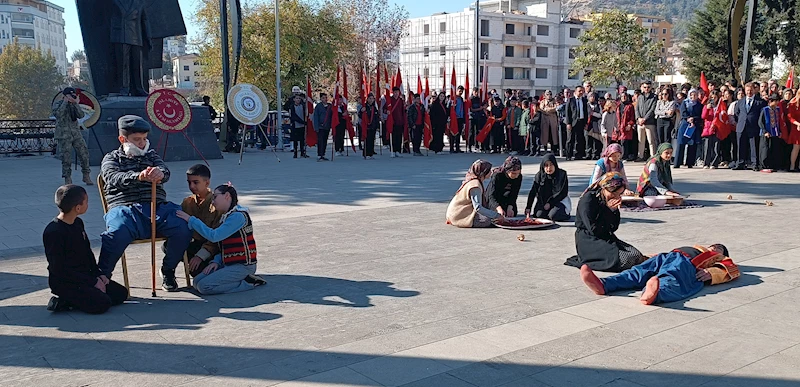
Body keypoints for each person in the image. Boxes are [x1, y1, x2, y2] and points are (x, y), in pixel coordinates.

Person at [97, 115, 193, 292]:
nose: (142, 143)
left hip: (158, 208)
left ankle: (168, 270)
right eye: (136, 139)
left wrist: (160, 174)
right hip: (125, 209)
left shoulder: (152, 155)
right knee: (116, 234)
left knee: (184, 226)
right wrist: (138, 176)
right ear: (122, 139)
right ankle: (101, 277)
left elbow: (166, 171)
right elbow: (111, 177)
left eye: (144, 139)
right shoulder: (111, 158)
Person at [44, 185, 128, 314]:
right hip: (66, 281)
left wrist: (98, 275)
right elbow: (58, 268)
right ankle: (65, 300)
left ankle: (81, 298)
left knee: (121, 294)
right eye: (86, 201)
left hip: (85, 276)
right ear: (77, 207)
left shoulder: (78, 223)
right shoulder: (54, 232)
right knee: (102, 304)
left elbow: (87, 253)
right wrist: (93, 282)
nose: (88, 204)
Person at [177, 183, 266, 294]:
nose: (212, 201)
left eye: (215, 197)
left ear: (227, 196)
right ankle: (237, 279)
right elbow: (224, 246)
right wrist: (216, 262)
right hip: (228, 263)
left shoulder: (238, 216)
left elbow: (214, 237)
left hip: (243, 266)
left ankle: (248, 282)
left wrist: (191, 220)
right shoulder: (226, 216)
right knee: (196, 282)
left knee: (204, 287)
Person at [580, 244, 738, 305]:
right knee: (638, 271)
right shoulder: (697, 247)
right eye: (713, 246)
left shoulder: (719, 258)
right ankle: (604, 284)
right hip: (667, 256)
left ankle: (655, 293)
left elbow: (731, 269)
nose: (714, 248)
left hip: (686, 263)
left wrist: (712, 272)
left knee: (672, 276)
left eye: (719, 248)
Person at [565, 172, 646, 272]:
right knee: (626, 260)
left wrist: (613, 211)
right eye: (613, 193)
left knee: (636, 255)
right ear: (605, 189)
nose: (615, 197)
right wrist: (608, 210)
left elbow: (613, 227)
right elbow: (593, 229)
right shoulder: (589, 199)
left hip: (605, 237)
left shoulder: (609, 200)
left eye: (619, 194)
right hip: (589, 240)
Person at [179, 164, 222, 277]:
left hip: (214, 247)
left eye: (196, 182)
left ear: (207, 183)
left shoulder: (216, 203)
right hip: (194, 244)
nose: (191, 186)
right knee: (170, 245)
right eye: (189, 182)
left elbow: (217, 236)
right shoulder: (187, 202)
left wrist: (200, 256)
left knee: (202, 274)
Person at [445, 160, 503, 228]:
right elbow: (478, 207)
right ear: (483, 172)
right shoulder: (475, 185)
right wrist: (496, 215)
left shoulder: (474, 181)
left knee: (491, 215)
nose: (491, 172)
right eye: (489, 170)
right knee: (488, 220)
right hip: (458, 214)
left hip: (456, 212)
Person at [53, 87, 92, 185]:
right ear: (64, 96)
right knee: (66, 157)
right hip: (63, 134)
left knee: (84, 154)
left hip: (76, 133)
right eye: (70, 95)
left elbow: (81, 115)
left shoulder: (74, 104)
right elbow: (58, 115)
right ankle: (67, 178)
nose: (72, 97)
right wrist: (65, 102)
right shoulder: (58, 104)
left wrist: (75, 103)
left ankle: (86, 175)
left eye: (73, 95)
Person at [524, 153, 570, 221]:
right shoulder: (539, 176)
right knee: (539, 215)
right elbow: (533, 191)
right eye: (546, 165)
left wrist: (550, 204)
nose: (549, 168)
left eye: (551, 164)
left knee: (554, 215)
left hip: (558, 201)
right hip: (543, 202)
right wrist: (528, 207)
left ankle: (564, 213)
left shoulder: (562, 174)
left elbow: (563, 193)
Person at [733, 82, 767, 170]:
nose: (749, 92)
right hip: (741, 126)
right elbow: (737, 113)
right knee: (740, 145)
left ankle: (754, 164)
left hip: (754, 127)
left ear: (754, 90)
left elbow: (762, 115)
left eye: (751, 90)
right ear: (745, 90)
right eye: (747, 90)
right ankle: (740, 163)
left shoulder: (760, 102)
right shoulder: (740, 102)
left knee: (754, 146)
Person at [757, 93, 786, 173]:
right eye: (775, 101)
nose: (777, 103)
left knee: (774, 149)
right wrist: (765, 131)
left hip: (775, 133)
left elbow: (778, 121)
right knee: (765, 149)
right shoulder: (765, 109)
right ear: (771, 101)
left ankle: (772, 165)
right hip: (766, 133)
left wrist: (780, 131)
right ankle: (764, 166)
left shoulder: (777, 110)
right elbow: (760, 122)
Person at [674, 89, 703, 168]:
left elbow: (700, 115)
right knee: (681, 143)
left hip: (694, 125)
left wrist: (693, 119)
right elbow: (683, 112)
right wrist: (688, 118)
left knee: (692, 144)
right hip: (685, 124)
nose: (693, 96)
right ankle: (677, 163)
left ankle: (690, 163)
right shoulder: (685, 103)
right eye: (691, 95)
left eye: (695, 95)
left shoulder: (699, 105)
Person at [635, 81, 658, 162]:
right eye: (645, 87)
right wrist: (638, 118)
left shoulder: (654, 97)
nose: (646, 89)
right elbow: (637, 108)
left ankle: (653, 156)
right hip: (640, 122)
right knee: (640, 140)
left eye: (648, 87)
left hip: (649, 122)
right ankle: (640, 156)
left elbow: (652, 109)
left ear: (651, 87)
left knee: (651, 141)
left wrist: (645, 118)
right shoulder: (640, 97)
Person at [565, 86, 589, 160]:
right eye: (579, 91)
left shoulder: (584, 100)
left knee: (579, 139)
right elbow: (567, 112)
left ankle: (578, 155)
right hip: (572, 122)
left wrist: (585, 123)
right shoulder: (570, 100)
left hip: (581, 121)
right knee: (570, 139)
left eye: (582, 91)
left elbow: (585, 112)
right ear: (575, 92)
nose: (581, 92)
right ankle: (568, 155)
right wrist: (568, 123)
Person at [701, 90, 722, 169]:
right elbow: (703, 117)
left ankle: (714, 163)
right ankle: (706, 163)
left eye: (715, 97)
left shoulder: (720, 106)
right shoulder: (706, 106)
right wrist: (707, 108)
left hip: (717, 128)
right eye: (712, 97)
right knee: (707, 146)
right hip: (708, 128)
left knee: (716, 147)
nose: (713, 99)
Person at [614, 93, 636, 161]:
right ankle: (619, 156)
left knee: (624, 141)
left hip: (625, 126)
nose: (623, 98)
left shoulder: (630, 106)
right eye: (622, 96)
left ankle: (624, 156)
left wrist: (630, 124)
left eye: (625, 96)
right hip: (618, 125)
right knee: (619, 141)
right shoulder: (618, 105)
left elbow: (632, 117)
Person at [359, 93, 380, 159]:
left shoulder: (374, 107)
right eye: (370, 99)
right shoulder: (364, 106)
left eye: (372, 99)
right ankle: (366, 153)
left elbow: (376, 117)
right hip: (366, 126)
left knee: (371, 140)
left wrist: (377, 126)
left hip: (372, 126)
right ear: (367, 99)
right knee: (367, 140)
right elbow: (360, 115)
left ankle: (371, 153)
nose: (371, 100)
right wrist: (362, 111)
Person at [312, 93, 332, 161]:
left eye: (326, 97)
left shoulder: (330, 106)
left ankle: (323, 154)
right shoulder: (318, 106)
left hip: (327, 126)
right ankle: (319, 154)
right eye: (323, 98)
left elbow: (332, 116)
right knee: (320, 141)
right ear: (320, 99)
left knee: (325, 140)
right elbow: (316, 117)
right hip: (320, 126)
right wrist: (316, 127)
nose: (325, 99)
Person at [289, 94, 309, 159]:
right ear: (294, 99)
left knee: (302, 139)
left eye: (299, 98)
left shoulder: (302, 106)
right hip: (295, 125)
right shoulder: (292, 107)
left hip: (302, 126)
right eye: (297, 98)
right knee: (295, 140)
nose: (298, 100)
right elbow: (293, 117)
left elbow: (305, 114)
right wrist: (302, 121)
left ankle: (302, 152)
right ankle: (295, 153)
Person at [388, 87, 407, 158]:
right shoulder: (390, 100)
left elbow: (403, 110)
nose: (396, 94)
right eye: (395, 92)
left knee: (399, 136)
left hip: (400, 121)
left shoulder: (401, 100)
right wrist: (386, 112)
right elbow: (385, 108)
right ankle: (392, 150)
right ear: (393, 92)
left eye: (397, 92)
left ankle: (398, 151)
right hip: (392, 121)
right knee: (393, 136)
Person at [468, 87, 488, 153]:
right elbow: (471, 109)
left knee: (477, 132)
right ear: (473, 92)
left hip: (478, 117)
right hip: (472, 117)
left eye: (477, 92)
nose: (476, 93)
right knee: (471, 132)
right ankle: (469, 146)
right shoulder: (470, 99)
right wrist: (480, 108)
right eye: (475, 92)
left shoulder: (479, 99)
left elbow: (483, 106)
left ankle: (477, 146)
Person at [586, 92, 603, 159]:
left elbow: (600, 115)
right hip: (588, 124)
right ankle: (588, 154)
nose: (592, 98)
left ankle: (595, 154)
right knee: (588, 140)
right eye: (591, 96)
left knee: (596, 139)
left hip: (595, 124)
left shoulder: (598, 105)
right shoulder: (586, 105)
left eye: (593, 96)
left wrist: (593, 113)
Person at [787, 91, 800, 172]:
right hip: (796, 127)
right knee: (796, 147)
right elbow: (790, 117)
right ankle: (792, 166)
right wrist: (798, 124)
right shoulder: (793, 103)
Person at [451, 86, 466, 153]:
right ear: (457, 90)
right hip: (455, 118)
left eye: (462, 91)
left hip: (460, 118)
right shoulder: (454, 98)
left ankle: (457, 147)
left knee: (459, 133)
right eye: (460, 91)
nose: (461, 92)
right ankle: (451, 148)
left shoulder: (461, 99)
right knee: (453, 133)